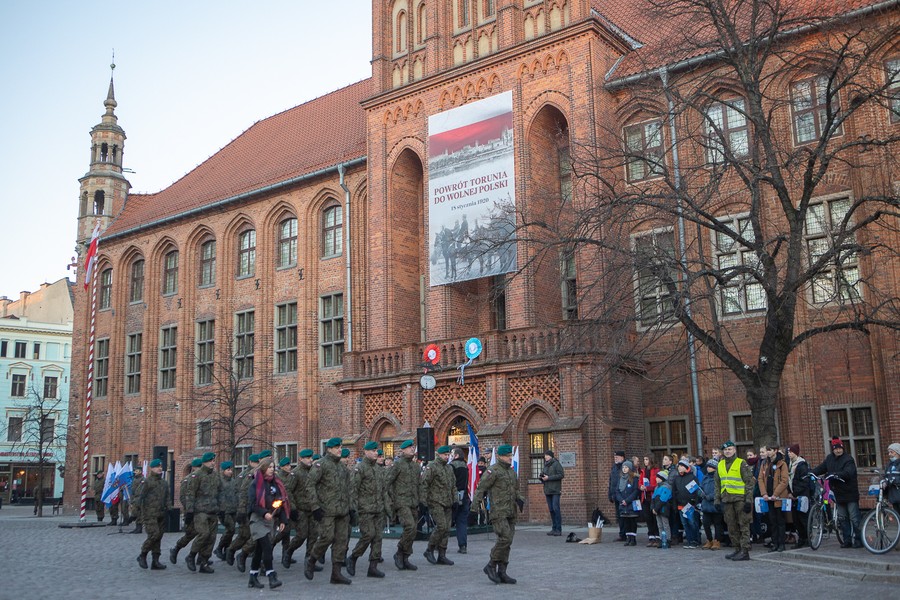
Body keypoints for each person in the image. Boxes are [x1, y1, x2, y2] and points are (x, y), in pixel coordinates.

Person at [473, 444, 524, 584]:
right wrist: (474, 506)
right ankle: (491, 564)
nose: (510, 458)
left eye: (511, 455)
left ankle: (502, 571)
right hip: (499, 511)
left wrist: (520, 498)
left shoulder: (511, 472)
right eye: (508, 456)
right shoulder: (493, 471)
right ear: (500, 456)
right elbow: (481, 488)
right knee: (504, 538)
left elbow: (515, 489)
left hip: (511, 511)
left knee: (508, 541)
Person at [305, 437, 353, 584]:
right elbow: (310, 485)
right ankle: (311, 560)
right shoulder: (321, 465)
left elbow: (348, 489)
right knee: (326, 537)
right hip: (326, 510)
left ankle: (336, 573)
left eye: (340, 447)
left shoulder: (343, 468)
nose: (340, 450)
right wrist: (315, 507)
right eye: (337, 447)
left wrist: (351, 508)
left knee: (341, 541)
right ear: (329, 449)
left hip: (342, 511)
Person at [348, 441, 390, 578]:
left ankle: (373, 567)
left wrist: (387, 508)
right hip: (365, 509)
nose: (376, 453)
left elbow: (384, 491)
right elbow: (353, 490)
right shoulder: (360, 468)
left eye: (376, 450)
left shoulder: (379, 469)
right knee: (368, 535)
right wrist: (353, 509)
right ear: (366, 452)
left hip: (378, 509)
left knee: (378, 537)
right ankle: (353, 557)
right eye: (373, 450)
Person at [245, 457, 288, 589]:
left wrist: (282, 519)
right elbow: (252, 504)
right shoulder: (256, 483)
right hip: (258, 519)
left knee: (259, 549)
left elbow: (280, 501)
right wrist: (264, 513)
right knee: (267, 547)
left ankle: (252, 577)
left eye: (273, 467)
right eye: (269, 467)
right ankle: (271, 576)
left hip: (270, 519)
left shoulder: (275, 483)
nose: (272, 470)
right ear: (263, 468)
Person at [812, 437, 862, 548]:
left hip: (850, 492)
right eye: (836, 449)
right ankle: (847, 540)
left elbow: (848, 472)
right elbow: (821, 468)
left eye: (840, 448)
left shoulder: (848, 459)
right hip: (838, 493)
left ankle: (859, 539)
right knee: (842, 518)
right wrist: (811, 472)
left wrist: (836, 474)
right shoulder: (830, 459)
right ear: (833, 449)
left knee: (854, 517)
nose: (838, 450)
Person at [384, 439, 421, 571]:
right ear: (403, 450)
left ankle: (405, 557)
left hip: (413, 502)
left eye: (413, 447)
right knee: (409, 527)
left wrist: (421, 499)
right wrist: (392, 499)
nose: (412, 449)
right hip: (401, 502)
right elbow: (387, 482)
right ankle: (400, 552)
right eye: (409, 447)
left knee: (413, 530)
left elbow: (419, 484)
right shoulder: (398, 465)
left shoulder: (416, 466)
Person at [184, 452, 222, 573]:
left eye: (213, 461)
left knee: (211, 537)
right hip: (200, 510)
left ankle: (204, 562)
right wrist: (189, 511)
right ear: (204, 462)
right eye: (210, 461)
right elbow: (190, 494)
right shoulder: (197, 475)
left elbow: (220, 492)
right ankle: (191, 555)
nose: (212, 463)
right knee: (204, 534)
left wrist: (221, 508)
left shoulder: (215, 475)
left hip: (213, 510)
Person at [715, 441, 754, 561]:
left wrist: (748, 500)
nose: (727, 451)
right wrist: (717, 500)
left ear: (734, 450)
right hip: (727, 499)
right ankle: (737, 549)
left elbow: (749, 483)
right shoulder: (720, 464)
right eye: (725, 450)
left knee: (743, 525)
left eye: (730, 449)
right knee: (731, 526)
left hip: (740, 499)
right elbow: (717, 484)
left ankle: (745, 550)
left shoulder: (741, 463)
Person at [284, 449, 320, 570]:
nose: (310, 460)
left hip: (313, 509)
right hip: (301, 509)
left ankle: (309, 561)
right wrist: (293, 508)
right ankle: (289, 551)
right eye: (307, 458)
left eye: (311, 458)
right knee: (302, 535)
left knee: (313, 536)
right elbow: (288, 490)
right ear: (301, 459)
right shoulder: (296, 473)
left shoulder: (314, 471)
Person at [422, 445, 457, 566]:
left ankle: (442, 554)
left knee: (447, 529)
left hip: (448, 502)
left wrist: (455, 500)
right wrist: (423, 501)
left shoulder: (449, 468)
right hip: (435, 501)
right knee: (441, 526)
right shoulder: (432, 466)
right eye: (445, 455)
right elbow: (424, 483)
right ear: (439, 455)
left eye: (448, 455)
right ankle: (430, 549)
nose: (447, 457)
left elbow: (453, 485)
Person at [136, 459, 170, 570]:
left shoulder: (164, 483)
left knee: (158, 537)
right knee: (154, 535)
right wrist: (137, 513)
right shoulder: (147, 482)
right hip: (149, 514)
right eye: (157, 467)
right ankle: (143, 554)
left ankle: (155, 561)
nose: (159, 468)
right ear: (152, 468)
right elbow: (140, 497)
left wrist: (169, 508)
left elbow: (167, 497)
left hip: (161, 513)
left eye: (160, 467)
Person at [228, 453, 260, 570]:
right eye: (256, 462)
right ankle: (232, 550)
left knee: (259, 536)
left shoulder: (264, 473)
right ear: (250, 462)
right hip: (246, 509)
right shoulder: (247, 475)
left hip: (258, 510)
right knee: (244, 535)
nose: (257, 464)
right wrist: (241, 510)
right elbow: (240, 493)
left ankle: (259, 562)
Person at [170, 459, 201, 565]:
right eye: (198, 467)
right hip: (191, 511)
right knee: (191, 534)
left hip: (201, 511)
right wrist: (189, 510)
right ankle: (176, 549)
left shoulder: (202, 478)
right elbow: (183, 497)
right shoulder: (187, 480)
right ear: (193, 468)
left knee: (205, 534)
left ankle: (201, 558)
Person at [272, 457, 301, 563]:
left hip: (289, 507)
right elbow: (285, 494)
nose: (289, 467)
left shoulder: (291, 476)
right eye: (287, 466)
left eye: (290, 465)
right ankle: (271, 544)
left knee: (287, 533)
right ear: (282, 467)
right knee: (284, 530)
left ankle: (285, 555)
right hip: (281, 508)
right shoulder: (278, 477)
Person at [672, 458, 701, 548]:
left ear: (686, 467)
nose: (679, 467)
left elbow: (696, 492)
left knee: (692, 523)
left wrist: (694, 503)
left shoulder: (692, 477)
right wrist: (675, 504)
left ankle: (695, 540)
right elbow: (674, 492)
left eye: (681, 466)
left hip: (689, 505)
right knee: (685, 524)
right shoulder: (676, 478)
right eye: (679, 466)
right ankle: (689, 540)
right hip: (680, 505)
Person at [786, 444, 810, 548]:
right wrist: (789, 492)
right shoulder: (790, 464)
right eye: (788, 452)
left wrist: (794, 493)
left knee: (803, 519)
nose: (789, 454)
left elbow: (804, 482)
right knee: (796, 520)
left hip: (801, 496)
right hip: (793, 495)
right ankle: (801, 538)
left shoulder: (802, 465)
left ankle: (807, 538)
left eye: (791, 452)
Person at [613, 459, 641, 546]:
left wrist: (627, 500)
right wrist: (621, 500)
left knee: (632, 521)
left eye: (626, 467)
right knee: (626, 522)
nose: (624, 469)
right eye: (623, 467)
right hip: (623, 504)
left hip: (631, 504)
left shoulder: (634, 479)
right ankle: (628, 538)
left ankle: (633, 539)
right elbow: (617, 491)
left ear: (630, 468)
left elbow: (635, 491)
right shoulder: (621, 478)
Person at [215, 461, 238, 561]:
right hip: (224, 510)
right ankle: (219, 548)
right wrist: (219, 509)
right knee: (230, 529)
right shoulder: (219, 481)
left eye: (231, 470)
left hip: (233, 509)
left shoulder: (233, 481)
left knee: (231, 531)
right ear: (223, 471)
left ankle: (226, 551)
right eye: (228, 470)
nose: (230, 471)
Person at [449, 447, 471, 554]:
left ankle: (438, 545)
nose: (450, 456)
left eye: (452, 454)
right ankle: (463, 546)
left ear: (456, 455)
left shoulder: (451, 466)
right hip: (464, 496)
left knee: (446, 522)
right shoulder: (466, 466)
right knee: (461, 523)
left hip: (453, 497)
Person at [700, 458, 724, 550]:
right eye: (708, 466)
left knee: (717, 524)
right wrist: (700, 493)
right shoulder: (705, 477)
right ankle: (709, 540)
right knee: (706, 524)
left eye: (710, 467)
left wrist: (710, 496)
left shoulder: (719, 477)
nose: (708, 468)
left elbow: (720, 490)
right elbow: (700, 487)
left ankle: (717, 541)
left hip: (716, 504)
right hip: (706, 505)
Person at [540, 449, 564, 536]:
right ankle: (554, 528)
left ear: (551, 456)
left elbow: (561, 475)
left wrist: (549, 478)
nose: (545, 457)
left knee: (555, 508)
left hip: (555, 490)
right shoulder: (546, 465)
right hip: (548, 490)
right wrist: (542, 477)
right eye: (545, 455)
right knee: (551, 509)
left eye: (547, 455)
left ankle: (558, 529)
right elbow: (544, 474)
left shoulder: (556, 464)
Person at [640, 456, 660, 546]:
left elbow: (657, 484)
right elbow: (640, 482)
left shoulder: (656, 471)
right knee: (648, 518)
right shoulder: (643, 471)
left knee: (654, 517)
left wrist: (648, 488)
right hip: (645, 498)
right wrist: (641, 486)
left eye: (647, 459)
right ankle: (651, 536)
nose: (645, 461)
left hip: (653, 497)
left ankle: (657, 536)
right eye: (644, 459)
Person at [651, 470, 672, 548]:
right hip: (657, 509)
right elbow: (653, 498)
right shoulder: (657, 487)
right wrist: (653, 508)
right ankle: (661, 539)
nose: (656, 479)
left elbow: (663, 499)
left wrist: (655, 509)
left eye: (658, 477)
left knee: (665, 524)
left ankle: (668, 539)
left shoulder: (666, 487)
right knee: (660, 525)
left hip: (663, 508)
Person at [608, 451, 626, 541]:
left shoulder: (625, 467)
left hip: (623, 495)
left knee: (624, 515)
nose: (615, 458)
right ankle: (622, 534)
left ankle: (627, 534)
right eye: (615, 457)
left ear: (622, 458)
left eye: (617, 457)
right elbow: (611, 481)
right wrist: (610, 493)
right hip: (615, 495)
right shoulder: (614, 467)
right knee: (619, 516)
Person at [128, 469, 145, 534]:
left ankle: (139, 528)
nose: (135, 472)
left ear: (140, 472)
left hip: (139, 498)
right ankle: (137, 527)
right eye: (135, 471)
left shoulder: (143, 479)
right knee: (136, 513)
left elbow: (141, 489)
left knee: (138, 513)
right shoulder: (134, 479)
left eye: (137, 471)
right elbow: (132, 490)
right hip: (134, 497)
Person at [885, 443, 900, 517]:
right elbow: (886, 476)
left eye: (892, 452)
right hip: (894, 496)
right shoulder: (889, 465)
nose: (889, 454)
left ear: (898, 453)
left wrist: (893, 480)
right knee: (897, 516)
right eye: (889, 452)